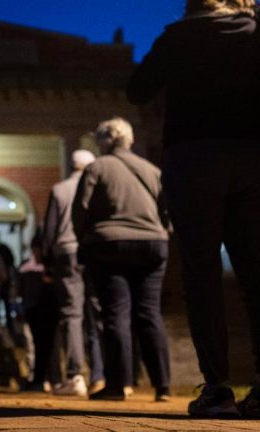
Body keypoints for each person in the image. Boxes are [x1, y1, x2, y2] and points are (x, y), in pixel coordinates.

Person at [126, 0, 260, 417]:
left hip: (193, 159)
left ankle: (218, 389)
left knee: (201, 274)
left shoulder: (178, 36)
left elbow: (138, 89)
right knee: (256, 274)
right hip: (253, 157)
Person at [72, 117, 171, 402]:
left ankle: (117, 385)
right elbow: (166, 209)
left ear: (104, 142)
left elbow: (81, 210)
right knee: (150, 313)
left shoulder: (97, 167)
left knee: (116, 313)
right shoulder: (152, 170)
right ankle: (162, 385)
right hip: (153, 244)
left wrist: (84, 239)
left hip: (109, 244)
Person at [43, 149, 104, 396]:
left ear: (72, 165)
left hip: (67, 252)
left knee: (72, 314)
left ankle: (75, 375)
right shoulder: (99, 188)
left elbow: (50, 230)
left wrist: (48, 261)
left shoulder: (59, 189)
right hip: (94, 251)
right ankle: (100, 374)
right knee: (97, 314)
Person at [18, 230, 61, 392]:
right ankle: (41, 379)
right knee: (40, 345)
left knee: (51, 345)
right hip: (35, 309)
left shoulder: (50, 268)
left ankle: (52, 378)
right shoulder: (27, 267)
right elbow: (21, 290)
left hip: (46, 309)